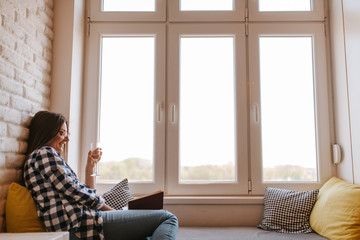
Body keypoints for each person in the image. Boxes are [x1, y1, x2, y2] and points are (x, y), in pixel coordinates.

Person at [24, 111, 178, 240]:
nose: (67, 139)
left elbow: (80, 195)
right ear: (46, 132)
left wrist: (89, 167)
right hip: (78, 225)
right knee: (167, 218)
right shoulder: (44, 153)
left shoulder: (41, 158)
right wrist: (110, 210)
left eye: (67, 133)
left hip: (80, 223)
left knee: (146, 234)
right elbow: (73, 189)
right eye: (62, 133)